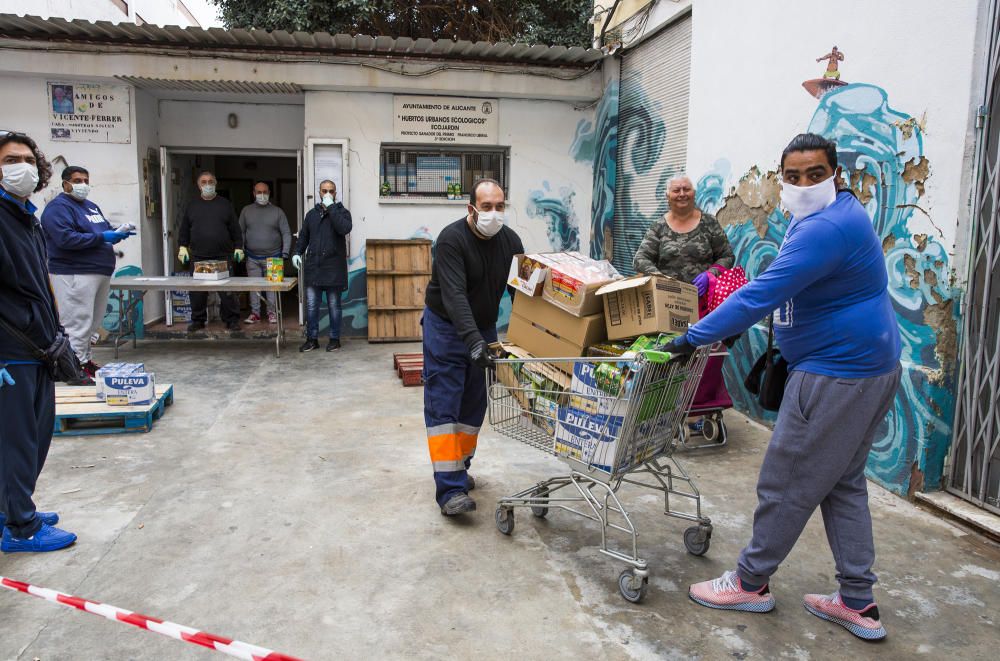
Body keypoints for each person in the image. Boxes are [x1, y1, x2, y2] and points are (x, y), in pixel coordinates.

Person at [666, 134, 902, 641]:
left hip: (836, 374)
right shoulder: (833, 215)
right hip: (867, 367)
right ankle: (857, 600)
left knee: (786, 482)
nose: (802, 184)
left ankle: (751, 582)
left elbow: (763, 294)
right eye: (792, 176)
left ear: (835, 175)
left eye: (814, 174)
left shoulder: (828, 227)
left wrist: (691, 338)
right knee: (842, 485)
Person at [423, 178, 523, 516]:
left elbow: (520, 294)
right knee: (445, 403)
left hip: (483, 326)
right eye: (486, 207)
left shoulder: (510, 241)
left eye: (499, 206)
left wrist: (533, 336)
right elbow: (454, 297)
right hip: (446, 327)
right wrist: (473, 342)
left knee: (474, 403)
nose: (494, 213)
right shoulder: (452, 240)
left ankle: (459, 467)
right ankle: (449, 490)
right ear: (471, 209)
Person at [0, 130, 77, 553]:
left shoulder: (24, 216)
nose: (23, 167)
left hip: (37, 347)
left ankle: (11, 507)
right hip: (10, 350)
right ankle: (21, 527)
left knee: (36, 433)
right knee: (16, 441)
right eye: (12, 160)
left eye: (29, 159)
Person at [633, 174, 736, 433]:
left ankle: (697, 411)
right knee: (670, 355)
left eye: (686, 189)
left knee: (704, 357)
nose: (681, 194)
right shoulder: (659, 228)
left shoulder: (709, 224)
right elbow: (640, 259)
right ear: (667, 196)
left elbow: (727, 255)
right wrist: (662, 279)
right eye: (676, 190)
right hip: (668, 305)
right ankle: (662, 410)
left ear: (694, 193)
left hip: (704, 305)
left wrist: (711, 273)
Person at [41, 166, 133, 385]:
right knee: (76, 323)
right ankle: (73, 370)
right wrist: (102, 238)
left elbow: (102, 230)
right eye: (77, 180)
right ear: (65, 183)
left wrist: (117, 233)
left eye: (85, 180)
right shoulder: (58, 208)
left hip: (98, 272)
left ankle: (85, 361)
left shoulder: (91, 207)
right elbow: (65, 239)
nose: (82, 184)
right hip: (74, 273)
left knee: (92, 323)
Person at [177, 171, 244, 332]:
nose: (207, 185)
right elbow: (184, 229)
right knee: (197, 292)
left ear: (215, 184)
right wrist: (182, 247)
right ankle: (198, 320)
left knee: (228, 291)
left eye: (210, 182)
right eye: (204, 182)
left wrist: (238, 247)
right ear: (199, 185)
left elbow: (236, 229)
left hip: (223, 256)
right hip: (199, 256)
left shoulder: (225, 204)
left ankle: (232, 320)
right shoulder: (192, 205)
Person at [292, 180, 351, 353]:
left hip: (333, 268)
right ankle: (312, 339)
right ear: (318, 192)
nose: (327, 194)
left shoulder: (342, 212)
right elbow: (303, 236)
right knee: (311, 306)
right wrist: (297, 252)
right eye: (324, 191)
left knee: (334, 305)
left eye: (330, 191)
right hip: (314, 267)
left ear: (335, 193)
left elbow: (344, 228)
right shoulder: (311, 215)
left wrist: (331, 208)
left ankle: (334, 339)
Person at [239, 180, 291, 324]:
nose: (262, 195)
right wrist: (240, 250)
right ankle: (255, 313)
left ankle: (272, 313)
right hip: (252, 257)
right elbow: (240, 232)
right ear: (254, 193)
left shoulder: (278, 212)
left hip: (274, 256)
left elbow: (286, 233)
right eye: (259, 192)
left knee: (273, 287)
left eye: (265, 192)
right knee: (254, 286)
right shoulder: (246, 211)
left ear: (269, 193)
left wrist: (285, 252)